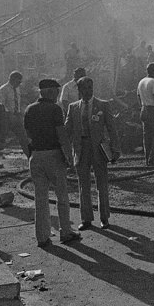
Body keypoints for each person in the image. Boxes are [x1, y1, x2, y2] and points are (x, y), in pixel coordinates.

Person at [23, 78, 80, 248]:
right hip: (54, 155)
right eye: (56, 91)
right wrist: (69, 156)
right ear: (50, 92)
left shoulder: (29, 109)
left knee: (40, 198)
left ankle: (42, 236)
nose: (57, 94)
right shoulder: (55, 109)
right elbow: (61, 134)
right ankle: (65, 232)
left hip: (36, 155)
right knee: (62, 196)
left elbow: (27, 134)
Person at [66, 76, 120, 229]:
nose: (88, 91)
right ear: (79, 90)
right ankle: (86, 219)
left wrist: (115, 149)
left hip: (98, 148)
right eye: (85, 88)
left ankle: (104, 217)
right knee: (83, 185)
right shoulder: (73, 108)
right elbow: (67, 130)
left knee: (102, 184)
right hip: (80, 148)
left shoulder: (103, 105)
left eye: (90, 88)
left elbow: (112, 128)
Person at [0, 71, 32, 156]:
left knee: (24, 139)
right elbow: (1, 105)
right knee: (0, 140)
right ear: (12, 79)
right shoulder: (3, 89)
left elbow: (19, 102)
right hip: (6, 118)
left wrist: (20, 112)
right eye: (18, 81)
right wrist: (9, 115)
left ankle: (30, 159)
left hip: (17, 117)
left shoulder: (17, 88)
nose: (20, 83)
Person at [137, 62, 154, 167]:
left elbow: (138, 98)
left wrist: (142, 107)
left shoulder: (141, 81)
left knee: (146, 136)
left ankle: (147, 158)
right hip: (152, 110)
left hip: (144, 109)